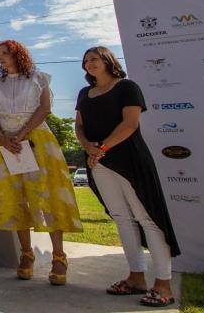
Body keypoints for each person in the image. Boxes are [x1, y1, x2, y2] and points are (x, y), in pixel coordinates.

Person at [75, 46, 180, 308]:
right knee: (121, 218)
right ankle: (136, 277)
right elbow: (79, 125)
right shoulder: (84, 93)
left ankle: (163, 283)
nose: (89, 63)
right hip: (98, 162)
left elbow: (130, 124)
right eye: (86, 60)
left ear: (108, 61)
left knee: (148, 218)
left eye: (94, 59)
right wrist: (87, 146)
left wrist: (102, 148)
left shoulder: (127, 87)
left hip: (129, 159)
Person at [0, 40, 82, 285]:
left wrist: (22, 134)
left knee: (46, 195)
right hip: (7, 144)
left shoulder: (39, 78)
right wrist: (2, 138)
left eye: (6, 53)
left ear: (19, 55)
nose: (2, 58)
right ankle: (26, 254)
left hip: (36, 139)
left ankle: (59, 256)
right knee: (17, 197)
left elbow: (44, 108)